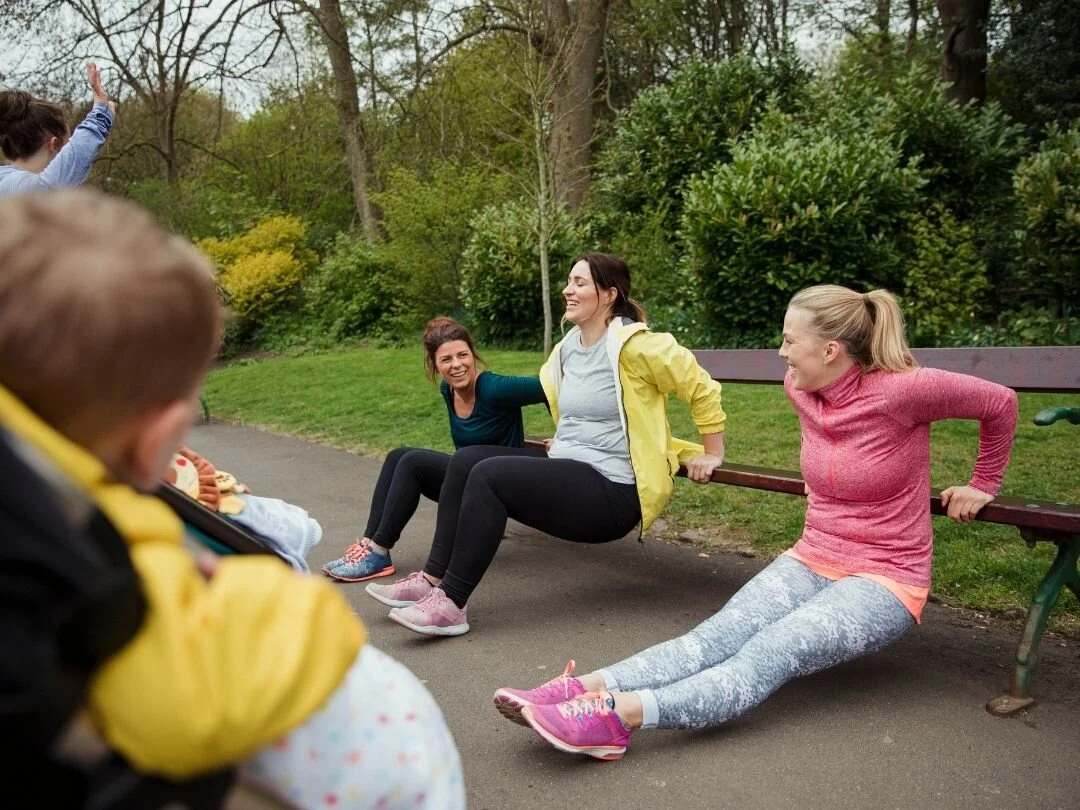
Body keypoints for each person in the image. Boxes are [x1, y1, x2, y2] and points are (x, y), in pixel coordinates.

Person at [0, 190, 464, 809]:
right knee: (392, 711)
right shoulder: (101, 593)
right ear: (162, 440)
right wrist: (301, 609)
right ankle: (378, 552)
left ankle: (376, 551)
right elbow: (180, 681)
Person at [493, 284, 1019, 761]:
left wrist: (983, 481)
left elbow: (999, 403)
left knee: (771, 650)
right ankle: (581, 687)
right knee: (716, 635)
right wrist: (829, 479)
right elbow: (825, 438)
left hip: (887, 575)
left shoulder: (905, 389)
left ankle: (617, 717)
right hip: (814, 553)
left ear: (830, 351)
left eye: (791, 341)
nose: (782, 352)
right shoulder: (800, 386)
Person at [366, 252, 727, 636]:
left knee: (489, 475)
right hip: (573, 472)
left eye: (579, 283)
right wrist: (569, 438)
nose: (567, 290)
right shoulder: (569, 348)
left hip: (615, 490)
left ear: (608, 294)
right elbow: (572, 406)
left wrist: (712, 451)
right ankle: (432, 579)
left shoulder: (639, 347)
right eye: (569, 281)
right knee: (467, 459)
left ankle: (452, 603)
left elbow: (701, 387)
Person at [322, 316, 548, 583]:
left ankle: (380, 550)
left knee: (414, 463)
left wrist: (567, 436)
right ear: (435, 365)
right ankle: (370, 546)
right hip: (469, 480)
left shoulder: (494, 388)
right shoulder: (448, 390)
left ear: (473, 355)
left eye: (463, 355)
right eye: (446, 360)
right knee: (398, 456)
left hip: (502, 485)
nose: (457, 365)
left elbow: (551, 388)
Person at [0, 63, 115, 195]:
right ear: (54, 145)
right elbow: (48, 187)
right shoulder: (15, 189)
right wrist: (101, 115)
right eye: (68, 144)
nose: (68, 154)